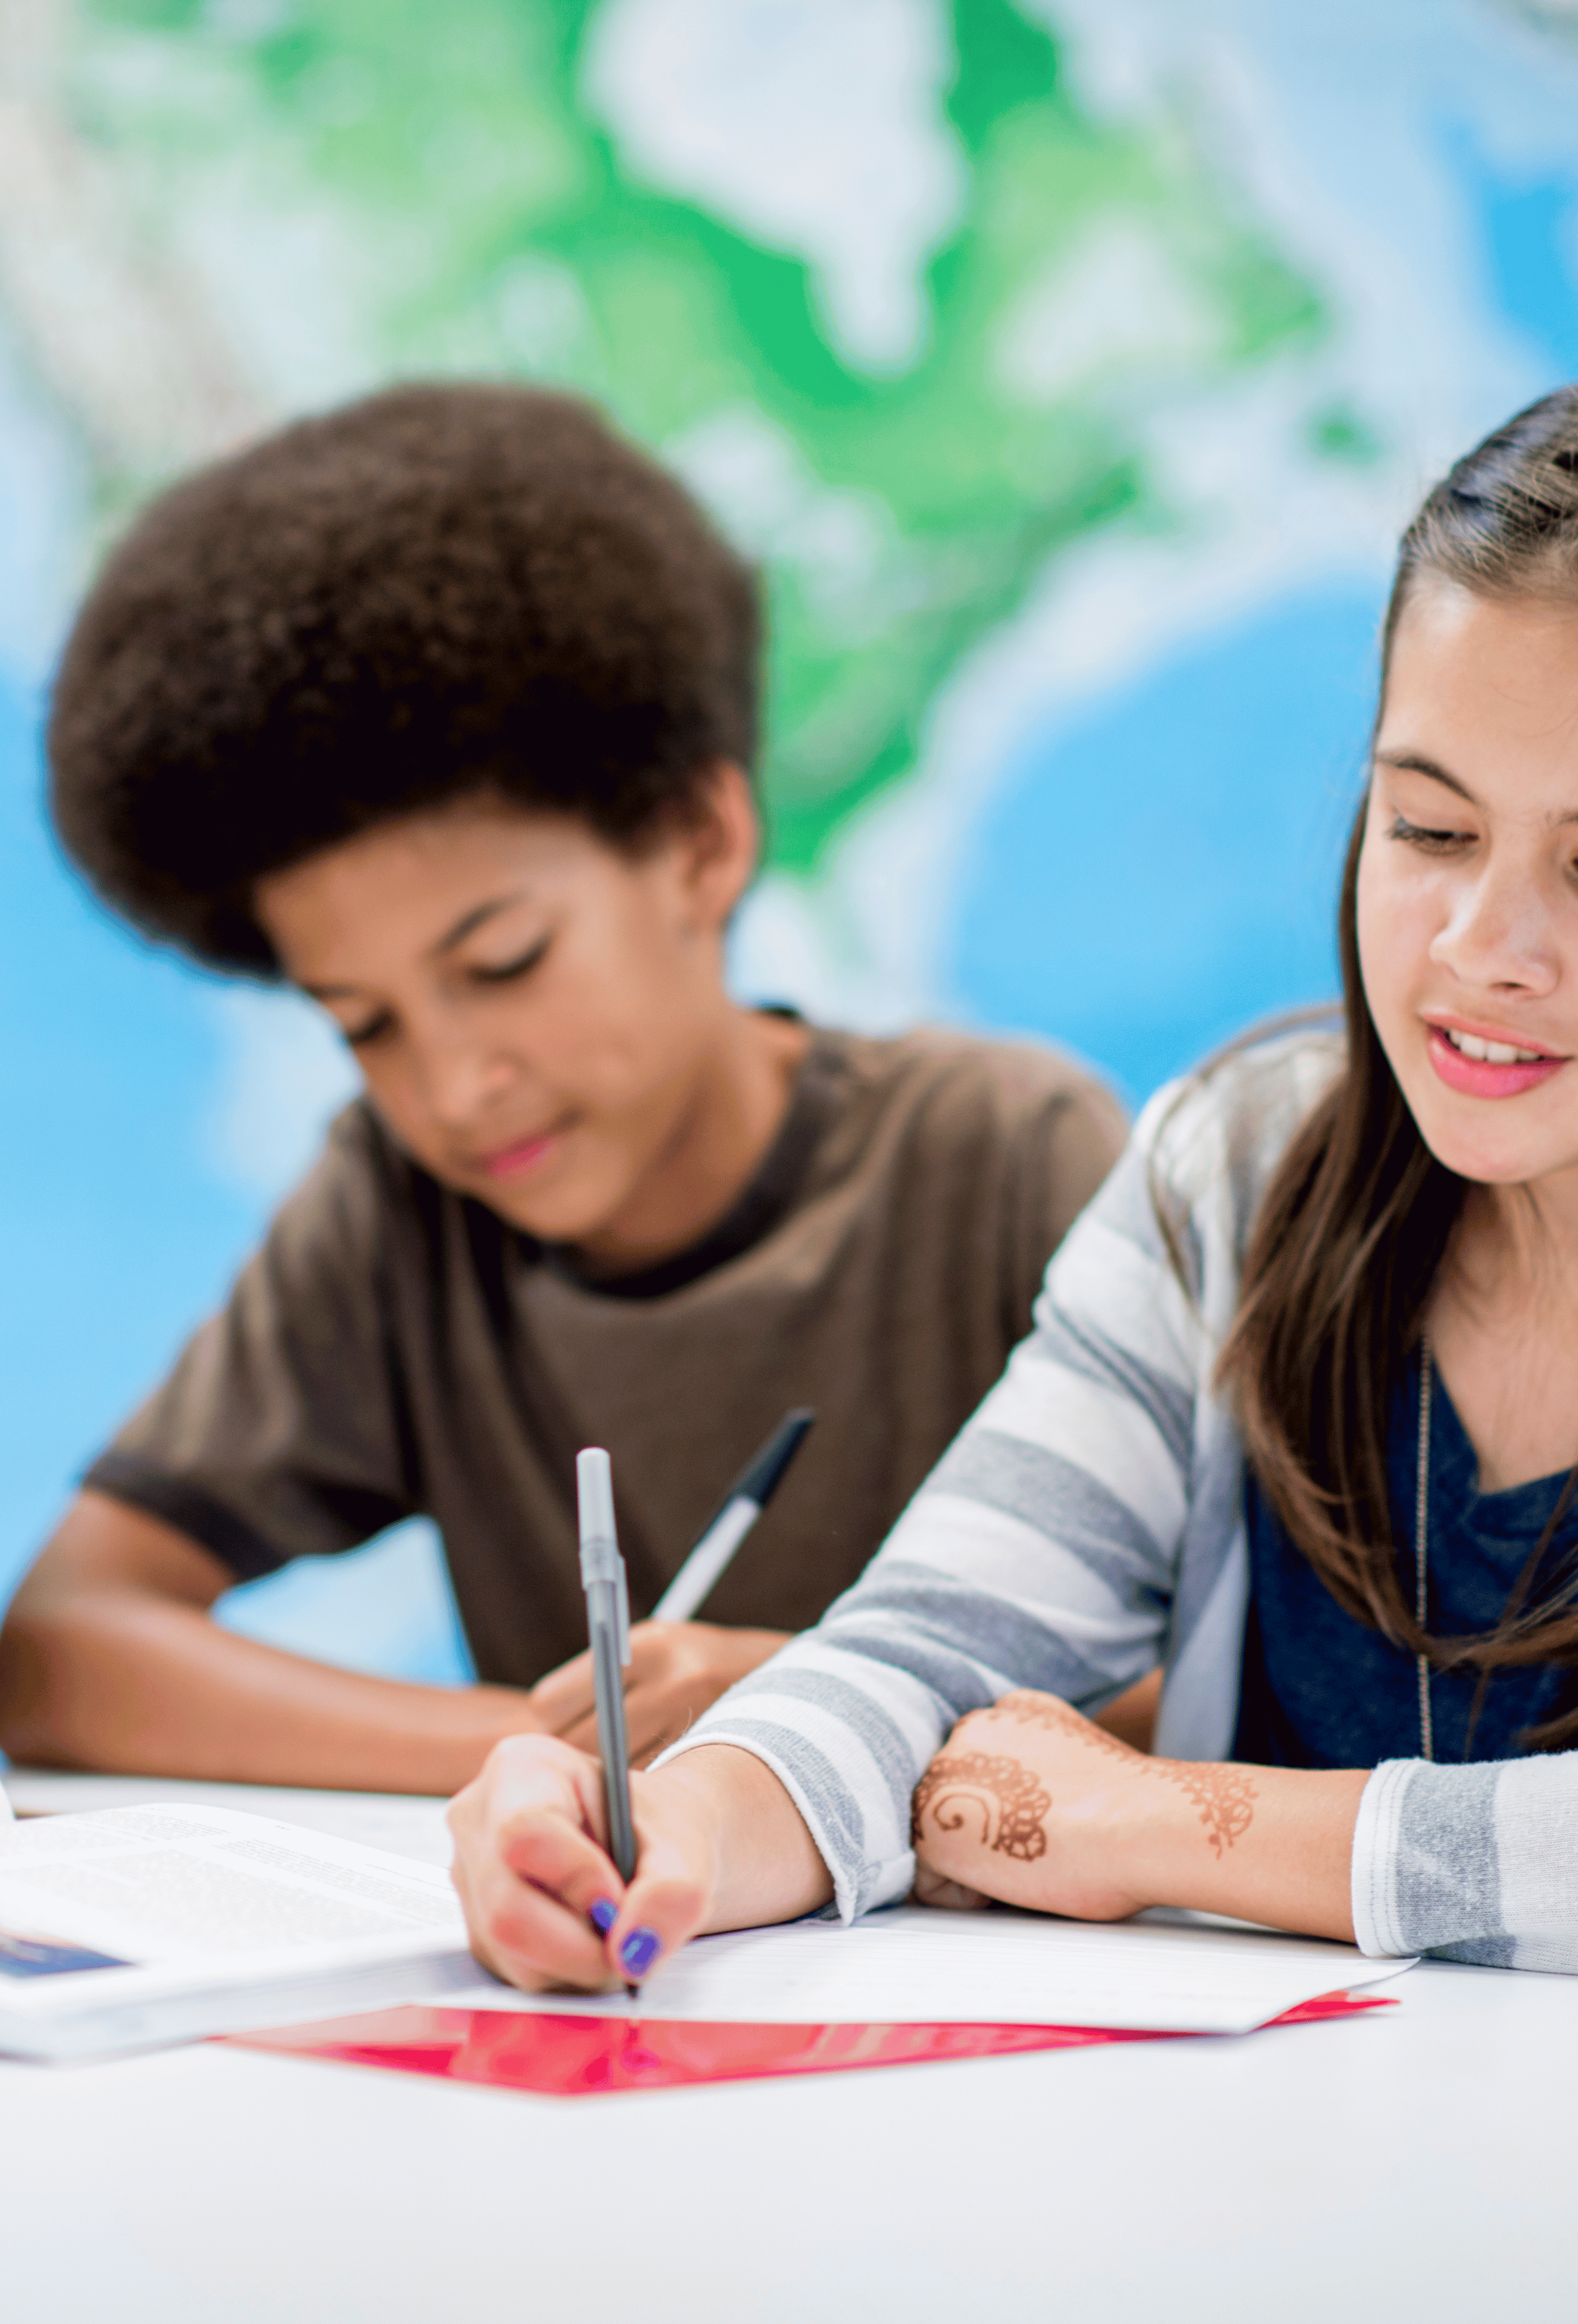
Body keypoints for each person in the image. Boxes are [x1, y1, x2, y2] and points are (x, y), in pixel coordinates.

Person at [448, 384, 1578, 1987]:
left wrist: (1152, 1824)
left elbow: (1083, 1809)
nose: (1481, 947)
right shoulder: (1238, 1165)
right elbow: (928, 1649)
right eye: (1424, 825)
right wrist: (662, 1830)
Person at [0, 382, 1126, 1792]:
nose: (456, 1088)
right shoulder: (403, 1214)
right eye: (365, 1024)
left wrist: (804, 1706)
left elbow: (1232, 1690)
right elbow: (62, 1648)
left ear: (700, 843)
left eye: (505, 962)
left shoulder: (1008, 1156)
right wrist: (554, 1752)